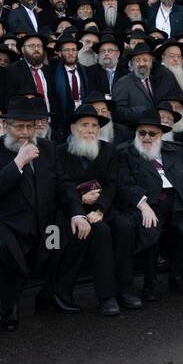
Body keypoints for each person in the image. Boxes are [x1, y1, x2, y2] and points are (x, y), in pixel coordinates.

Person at [0, 97, 73, 330]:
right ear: (7, 126)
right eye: (19, 126)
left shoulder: (48, 148)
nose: (25, 132)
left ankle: (52, 295)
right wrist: (18, 163)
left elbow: (64, 186)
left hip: (42, 225)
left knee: (73, 233)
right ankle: (10, 306)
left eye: (30, 126)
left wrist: (78, 214)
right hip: (5, 226)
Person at [52, 104, 139, 315]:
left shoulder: (108, 150)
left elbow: (111, 183)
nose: (90, 129)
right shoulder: (60, 152)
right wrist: (80, 200)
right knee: (100, 231)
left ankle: (125, 289)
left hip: (105, 207)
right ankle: (106, 296)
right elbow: (60, 185)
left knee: (125, 226)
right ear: (73, 128)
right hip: (72, 211)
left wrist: (100, 209)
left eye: (94, 125)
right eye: (85, 125)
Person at [120, 110, 183, 298]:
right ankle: (149, 282)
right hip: (148, 203)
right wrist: (143, 205)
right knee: (150, 228)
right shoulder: (126, 153)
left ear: (161, 135)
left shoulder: (175, 150)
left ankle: (178, 274)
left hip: (179, 200)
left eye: (152, 133)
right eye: (141, 133)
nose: (146, 137)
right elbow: (124, 183)